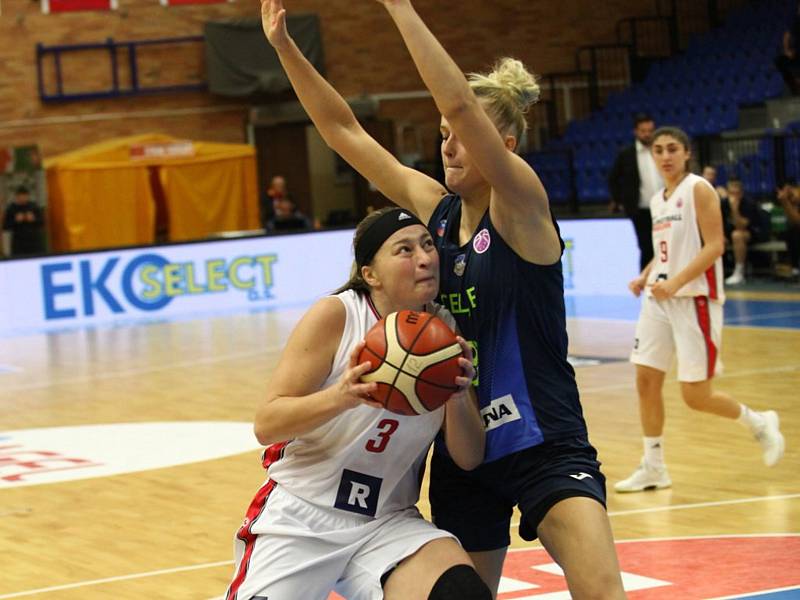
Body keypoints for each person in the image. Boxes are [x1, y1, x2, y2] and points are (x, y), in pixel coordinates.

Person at [261, 1, 625, 597]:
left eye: (462, 137)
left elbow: (457, 102)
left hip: (542, 440)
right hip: (464, 455)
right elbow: (344, 132)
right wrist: (285, 50)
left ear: (501, 144)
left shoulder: (521, 205)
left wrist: (399, 7)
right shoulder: (438, 216)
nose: (449, 145)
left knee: (603, 592)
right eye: (443, 137)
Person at [225, 206, 490, 600]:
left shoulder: (446, 333)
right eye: (404, 250)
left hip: (386, 520)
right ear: (371, 274)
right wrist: (341, 397)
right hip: (303, 515)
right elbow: (267, 424)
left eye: (428, 245)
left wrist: (457, 397)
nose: (424, 258)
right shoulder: (338, 315)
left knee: (459, 593)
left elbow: (470, 457)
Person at [616, 127, 785, 494]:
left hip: (694, 300)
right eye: (659, 150)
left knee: (695, 395)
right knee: (646, 381)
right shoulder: (660, 198)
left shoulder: (698, 189)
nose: (665, 156)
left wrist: (675, 283)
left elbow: (715, 246)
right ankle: (654, 466)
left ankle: (760, 423)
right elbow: (666, 250)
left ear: (687, 153)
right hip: (660, 298)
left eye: (672, 149)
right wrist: (645, 276)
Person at [608, 113, 663, 271]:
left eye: (650, 130)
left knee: (666, 246)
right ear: (636, 132)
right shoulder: (626, 154)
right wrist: (618, 200)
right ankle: (647, 286)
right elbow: (613, 178)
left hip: (664, 208)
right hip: (640, 210)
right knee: (646, 247)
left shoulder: (660, 151)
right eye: (643, 130)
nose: (647, 134)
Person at [722, 178, 768, 286]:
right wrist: (721, 235)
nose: (733, 196)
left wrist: (734, 209)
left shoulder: (748, 203)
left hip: (751, 233)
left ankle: (739, 272)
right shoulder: (723, 203)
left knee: (737, 235)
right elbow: (717, 221)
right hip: (729, 233)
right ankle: (717, 273)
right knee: (715, 239)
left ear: (741, 192)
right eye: (731, 193)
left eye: (736, 192)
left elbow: (741, 226)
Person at [1, 185, 46, 258]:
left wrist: (33, 219)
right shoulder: (11, 208)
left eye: (24, 196)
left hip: (34, 242)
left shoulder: (34, 206)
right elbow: (5, 227)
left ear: (28, 196)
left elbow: (42, 223)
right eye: (20, 196)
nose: (22, 198)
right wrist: (15, 220)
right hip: (19, 244)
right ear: (16, 197)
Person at [774, 2, 800, 95]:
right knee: (779, 61)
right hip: (797, 53)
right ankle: (795, 86)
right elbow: (786, 36)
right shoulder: (797, 21)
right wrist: (787, 50)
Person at [776, 179, 800, 278]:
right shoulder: (790, 203)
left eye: (791, 192)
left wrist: (786, 202)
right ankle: (795, 268)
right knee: (791, 232)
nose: (790, 196)